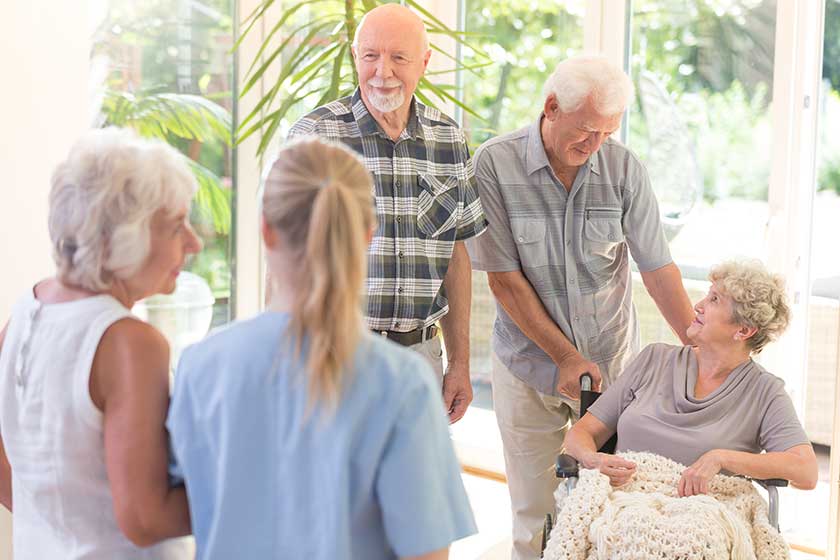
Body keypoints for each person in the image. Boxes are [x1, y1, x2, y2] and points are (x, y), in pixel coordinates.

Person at [166, 138, 476, 560]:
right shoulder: (403, 384)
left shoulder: (200, 367)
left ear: (265, 229)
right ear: (367, 234)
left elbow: (188, 505)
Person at [464, 54, 696, 559]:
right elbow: (504, 281)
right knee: (535, 512)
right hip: (528, 368)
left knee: (610, 509)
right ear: (551, 107)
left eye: (606, 135)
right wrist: (565, 357)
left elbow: (657, 269)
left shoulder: (623, 168)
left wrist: (699, 348)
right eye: (586, 132)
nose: (594, 148)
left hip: (612, 369)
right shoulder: (494, 165)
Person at [0, 128, 200, 559]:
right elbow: (145, 520)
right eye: (176, 225)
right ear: (126, 235)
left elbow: (5, 472)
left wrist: (66, 530)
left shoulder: (22, 318)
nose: (194, 243)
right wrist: (249, 488)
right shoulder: (131, 343)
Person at [287, 4, 487, 423]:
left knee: (413, 488)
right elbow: (287, 256)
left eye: (399, 57)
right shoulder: (315, 137)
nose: (383, 71)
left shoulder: (449, 139)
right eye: (371, 56)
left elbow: (455, 257)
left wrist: (460, 364)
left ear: (424, 63)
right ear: (355, 56)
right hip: (336, 357)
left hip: (422, 360)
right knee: (336, 488)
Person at [564, 260, 818, 495]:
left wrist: (722, 458)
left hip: (701, 515)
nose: (698, 305)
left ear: (743, 330)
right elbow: (581, 433)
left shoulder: (764, 392)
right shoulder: (653, 359)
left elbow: (806, 472)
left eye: (715, 300)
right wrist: (591, 458)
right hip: (622, 501)